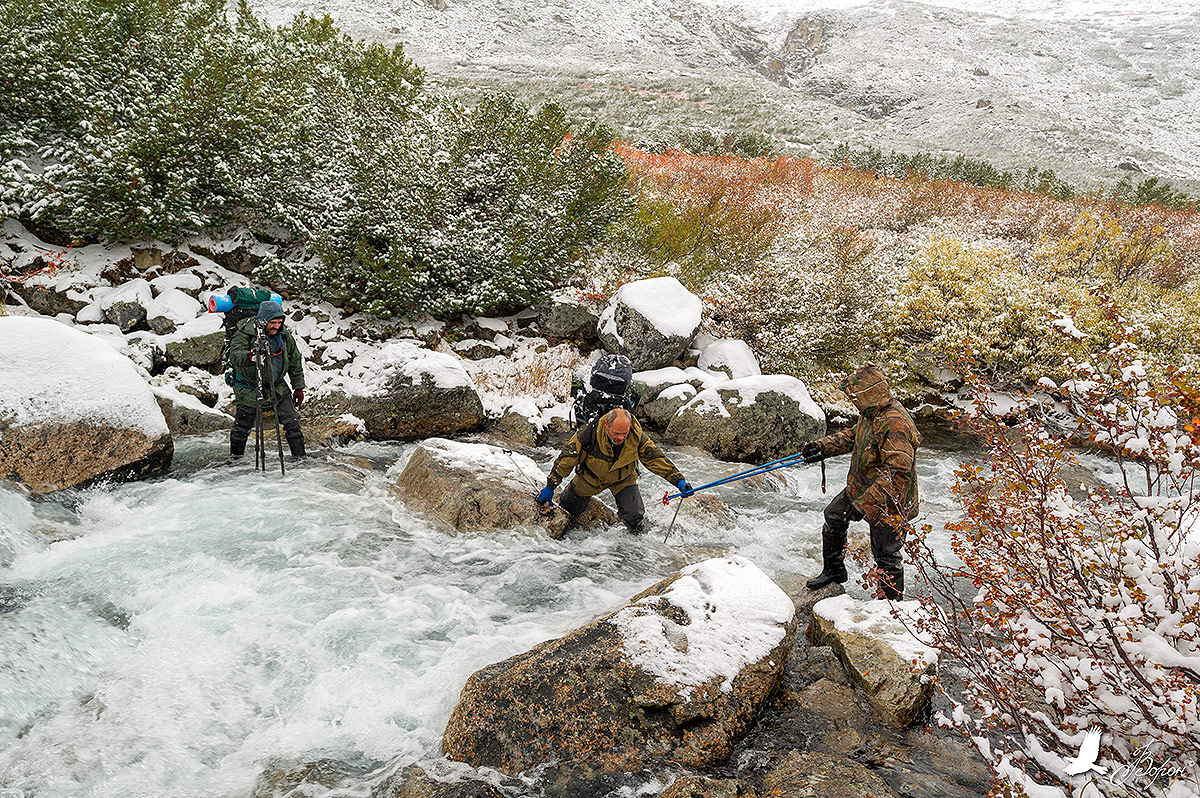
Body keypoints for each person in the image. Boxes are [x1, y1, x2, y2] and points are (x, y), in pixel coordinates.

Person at [801, 364, 921, 599]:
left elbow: (897, 474)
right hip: (862, 487)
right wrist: (822, 447)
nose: (852, 400)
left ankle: (891, 604)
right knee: (834, 516)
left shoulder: (896, 424)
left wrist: (865, 504)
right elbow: (854, 436)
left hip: (891, 502)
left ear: (869, 393)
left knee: (886, 554)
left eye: (855, 396)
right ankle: (834, 571)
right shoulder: (872, 413)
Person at [537, 407, 691, 535]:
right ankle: (568, 492)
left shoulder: (636, 436)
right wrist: (551, 486)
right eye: (616, 433)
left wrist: (679, 481)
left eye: (624, 433)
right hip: (591, 477)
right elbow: (566, 459)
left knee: (635, 516)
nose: (621, 437)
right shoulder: (588, 434)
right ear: (606, 426)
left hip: (623, 478)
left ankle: (634, 550)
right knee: (570, 507)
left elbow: (655, 459)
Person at [228, 300, 307, 459]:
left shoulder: (284, 336)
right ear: (263, 320)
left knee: (292, 423)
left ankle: (300, 459)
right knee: (242, 427)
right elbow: (235, 355)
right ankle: (235, 460)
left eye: (279, 322)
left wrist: (298, 387)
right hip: (249, 387)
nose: (276, 326)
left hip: (277, 387)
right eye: (273, 322)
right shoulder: (245, 333)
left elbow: (294, 360)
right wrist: (250, 356)